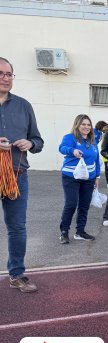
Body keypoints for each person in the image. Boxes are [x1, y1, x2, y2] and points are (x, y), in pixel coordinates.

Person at [0, 56, 44, 293]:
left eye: (9, 74)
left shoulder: (24, 105)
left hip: (16, 175)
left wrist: (31, 143)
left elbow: (38, 140)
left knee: (17, 227)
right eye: (1, 74)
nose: (5, 78)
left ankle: (16, 274)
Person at [58, 115, 101, 244]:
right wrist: (73, 150)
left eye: (88, 125)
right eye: (83, 124)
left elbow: (96, 159)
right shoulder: (70, 137)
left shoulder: (92, 140)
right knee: (71, 204)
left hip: (89, 177)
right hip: (71, 176)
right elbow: (62, 148)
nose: (86, 127)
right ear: (77, 125)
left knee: (84, 205)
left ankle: (80, 231)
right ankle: (64, 232)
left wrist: (97, 176)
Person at [94, 120, 108, 186]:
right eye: (105, 127)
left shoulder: (102, 133)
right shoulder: (92, 131)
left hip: (96, 150)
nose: (106, 129)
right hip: (92, 151)